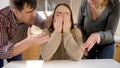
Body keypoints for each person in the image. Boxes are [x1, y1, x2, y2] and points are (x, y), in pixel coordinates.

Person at [0, 0, 49, 67]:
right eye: (29, 12)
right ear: (16, 12)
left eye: (34, 10)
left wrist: (49, 23)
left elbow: (42, 24)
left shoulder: (33, 15)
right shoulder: (2, 18)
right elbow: (1, 52)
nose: (34, 14)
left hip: (16, 45)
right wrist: (28, 42)